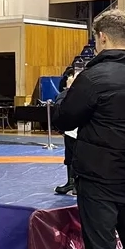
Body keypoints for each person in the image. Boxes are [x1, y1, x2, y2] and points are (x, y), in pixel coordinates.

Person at [53, 9, 125, 249]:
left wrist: (68, 91)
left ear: (101, 37)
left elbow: (63, 120)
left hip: (98, 179)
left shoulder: (94, 78)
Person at [53, 67, 77, 196]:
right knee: (70, 157)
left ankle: (76, 184)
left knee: (77, 157)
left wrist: (68, 89)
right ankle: (72, 182)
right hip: (72, 130)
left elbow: (62, 105)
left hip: (78, 130)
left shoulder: (78, 91)